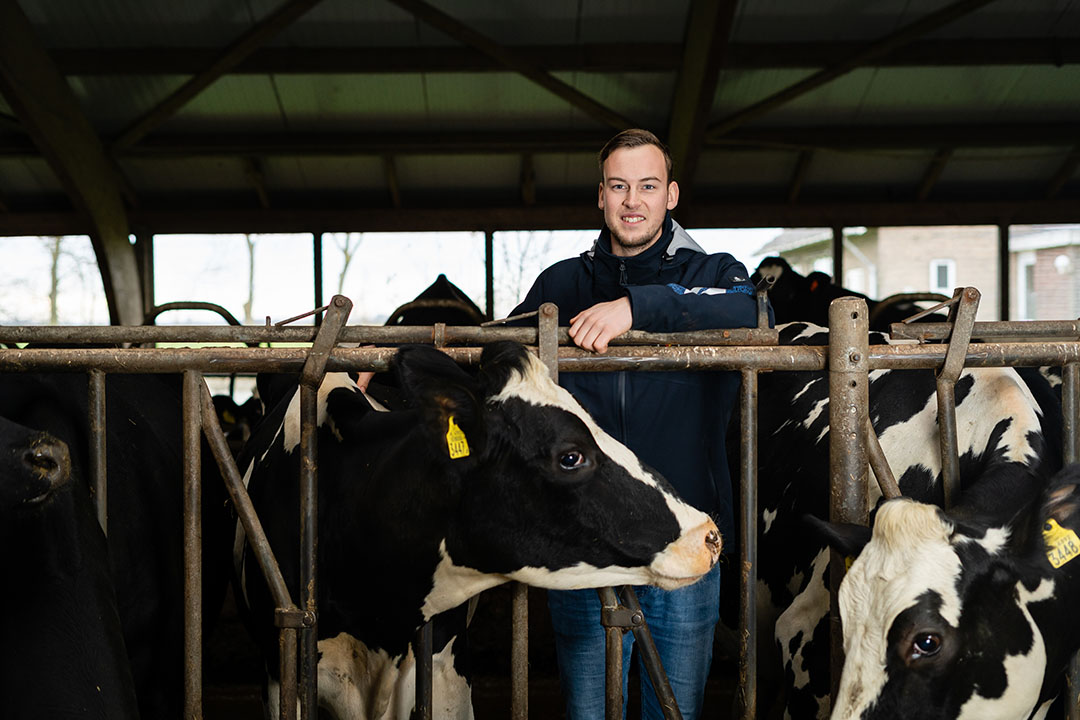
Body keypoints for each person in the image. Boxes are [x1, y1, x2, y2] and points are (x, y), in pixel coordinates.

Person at [509, 128, 769, 719]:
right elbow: (497, 359)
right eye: (619, 186)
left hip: (684, 533)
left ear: (671, 195)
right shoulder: (560, 286)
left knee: (672, 709)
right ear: (600, 196)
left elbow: (754, 310)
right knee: (589, 710)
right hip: (583, 539)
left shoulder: (717, 272)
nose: (633, 201)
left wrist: (637, 308)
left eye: (647, 186)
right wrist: (385, 367)